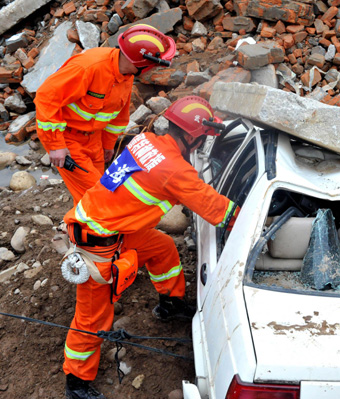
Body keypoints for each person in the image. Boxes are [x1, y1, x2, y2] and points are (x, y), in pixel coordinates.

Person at [60, 96, 239, 399]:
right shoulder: (175, 170)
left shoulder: (146, 140)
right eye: (202, 139)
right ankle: (75, 382)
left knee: (163, 246)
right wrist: (250, 216)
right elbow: (216, 210)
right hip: (97, 246)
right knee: (93, 319)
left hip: (110, 229)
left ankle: (170, 304)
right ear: (193, 136)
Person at [34, 24, 176, 204]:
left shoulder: (125, 74)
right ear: (141, 62)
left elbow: (118, 114)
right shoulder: (88, 67)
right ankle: (84, 230)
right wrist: (55, 144)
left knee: (97, 190)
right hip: (69, 140)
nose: (154, 68)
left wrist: (108, 144)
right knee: (98, 196)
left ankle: (84, 226)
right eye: (153, 64)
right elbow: (46, 97)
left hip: (94, 139)